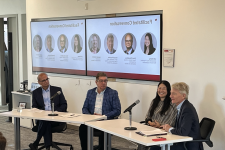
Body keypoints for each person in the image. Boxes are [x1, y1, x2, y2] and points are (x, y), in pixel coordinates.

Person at [151, 82, 203, 150]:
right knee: (155, 147)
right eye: (171, 93)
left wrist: (169, 128)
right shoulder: (182, 106)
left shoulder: (187, 109)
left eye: (174, 94)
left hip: (188, 145)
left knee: (155, 148)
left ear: (183, 96)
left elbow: (183, 132)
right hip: (182, 141)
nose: (170, 96)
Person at [79, 72, 121, 150]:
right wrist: (90, 117)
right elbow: (84, 108)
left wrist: (103, 116)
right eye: (101, 81)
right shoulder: (90, 92)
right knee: (82, 128)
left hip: (106, 121)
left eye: (105, 81)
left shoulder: (113, 93)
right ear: (96, 82)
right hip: (92, 120)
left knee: (104, 132)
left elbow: (117, 110)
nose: (103, 83)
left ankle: (103, 147)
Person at [29, 73, 67, 150]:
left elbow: (64, 104)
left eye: (47, 79)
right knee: (45, 122)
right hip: (42, 117)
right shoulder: (36, 92)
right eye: (43, 80)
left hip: (56, 118)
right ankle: (47, 147)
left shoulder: (57, 90)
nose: (46, 81)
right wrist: (38, 112)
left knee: (45, 122)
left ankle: (37, 143)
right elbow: (34, 106)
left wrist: (56, 112)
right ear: (39, 82)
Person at [138, 80, 177, 150]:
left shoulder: (172, 104)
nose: (161, 90)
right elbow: (147, 116)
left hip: (163, 133)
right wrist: (150, 122)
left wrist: (159, 125)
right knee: (140, 140)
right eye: (159, 88)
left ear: (168, 90)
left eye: (164, 88)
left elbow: (171, 122)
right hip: (151, 130)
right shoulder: (154, 101)